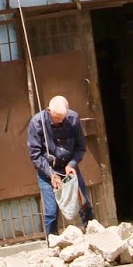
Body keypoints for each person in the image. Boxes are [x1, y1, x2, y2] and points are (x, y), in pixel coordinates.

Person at [27, 93, 95, 240]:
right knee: (51, 211)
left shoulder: (73, 118)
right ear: (48, 111)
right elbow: (35, 155)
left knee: (84, 203)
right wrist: (51, 174)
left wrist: (72, 164)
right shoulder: (37, 122)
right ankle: (52, 241)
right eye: (56, 118)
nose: (60, 121)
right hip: (47, 169)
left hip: (68, 167)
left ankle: (93, 235)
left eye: (63, 118)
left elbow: (80, 147)